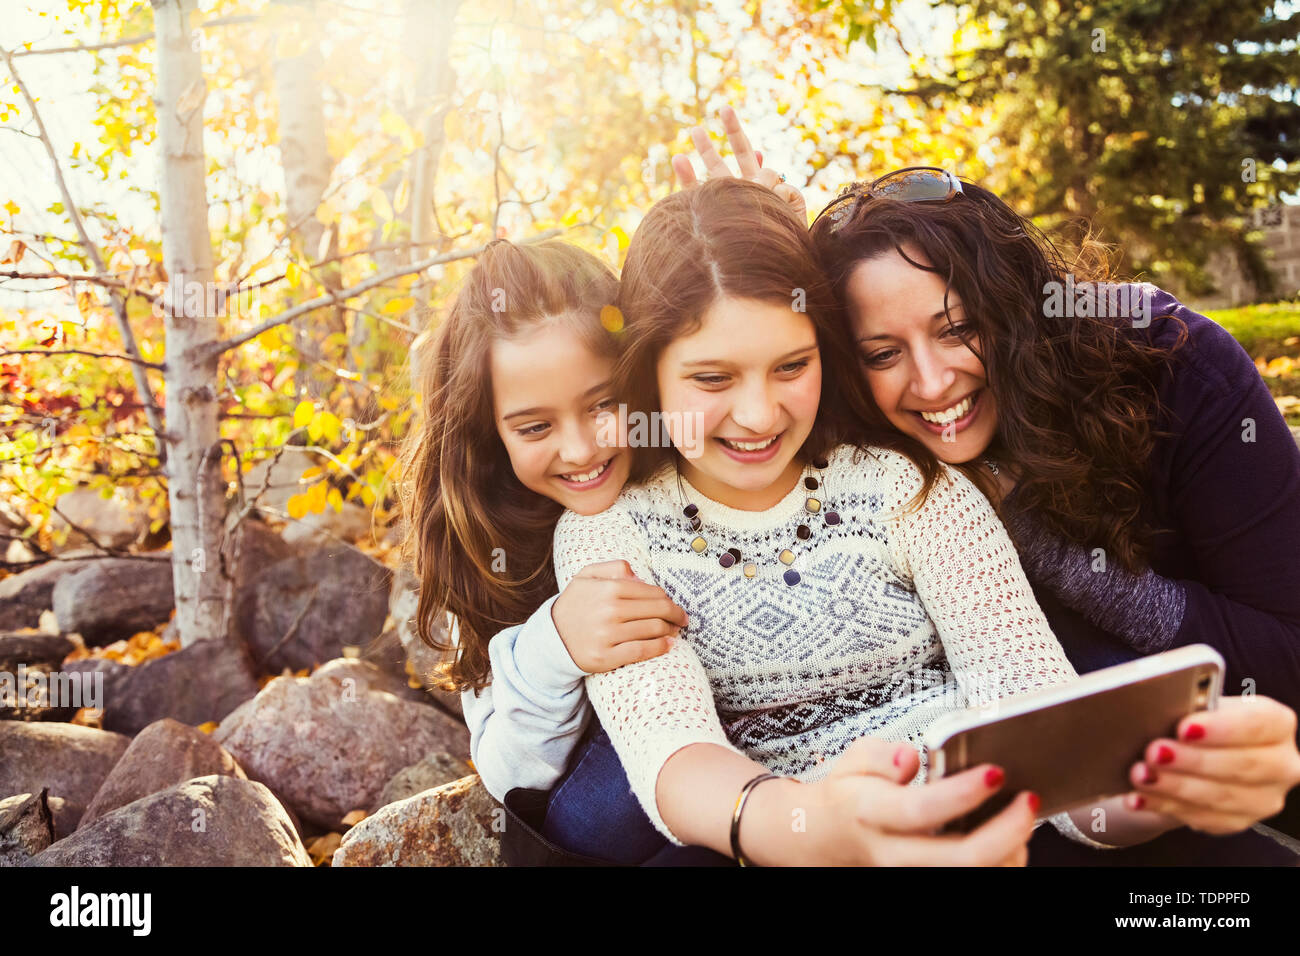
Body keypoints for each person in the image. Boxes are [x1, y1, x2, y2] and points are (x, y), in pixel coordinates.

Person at [501, 176, 1245, 866]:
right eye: (712, 378)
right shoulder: (611, 534)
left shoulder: (908, 486)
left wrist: (1135, 800)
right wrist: (809, 825)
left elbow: (1027, 695)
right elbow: (671, 750)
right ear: (647, 369)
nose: (759, 416)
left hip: (977, 823)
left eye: (791, 366)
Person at [805, 164, 1300, 861]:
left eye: (958, 329)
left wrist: (1043, 546)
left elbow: (1286, 659)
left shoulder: (1173, 365)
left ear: (1013, 302)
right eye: (883, 353)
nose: (932, 381)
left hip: (1223, 767)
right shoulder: (859, 447)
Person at [394, 238, 686, 833]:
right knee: (598, 811)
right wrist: (555, 647)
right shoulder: (483, 547)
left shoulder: (699, 448)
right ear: (488, 432)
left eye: (605, 404)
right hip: (634, 803)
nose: (580, 450)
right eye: (534, 426)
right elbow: (506, 777)